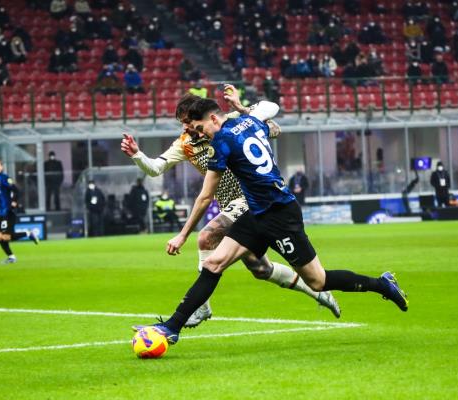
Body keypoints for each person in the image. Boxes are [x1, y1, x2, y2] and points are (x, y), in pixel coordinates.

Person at [132, 98, 408, 345]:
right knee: (214, 263)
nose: (199, 134)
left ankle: (381, 284)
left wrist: (182, 235)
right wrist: (242, 106)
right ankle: (172, 327)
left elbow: (205, 197)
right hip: (255, 213)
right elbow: (269, 107)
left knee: (318, 280)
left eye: (200, 128)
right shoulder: (251, 121)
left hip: (280, 215)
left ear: (214, 118)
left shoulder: (221, 143)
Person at [121, 90, 338, 328]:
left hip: (250, 199)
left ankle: (201, 309)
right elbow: (155, 168)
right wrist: (137, 154)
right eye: (182, 123)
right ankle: (319, 291)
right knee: (261, 269)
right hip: (230, 206)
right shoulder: (184, 144)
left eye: (187, 121)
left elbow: (274, 128)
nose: (185, 127)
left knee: (206, 237)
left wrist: (246, 111)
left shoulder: (230, 122)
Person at [0, 158, 39, 264]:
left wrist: (14, 201)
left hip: (9, 212)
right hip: (0, 213)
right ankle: (11, 257)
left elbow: (16, 189)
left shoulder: (5, 178)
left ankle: (28, 234)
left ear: (1, 167)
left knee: (6, 237)